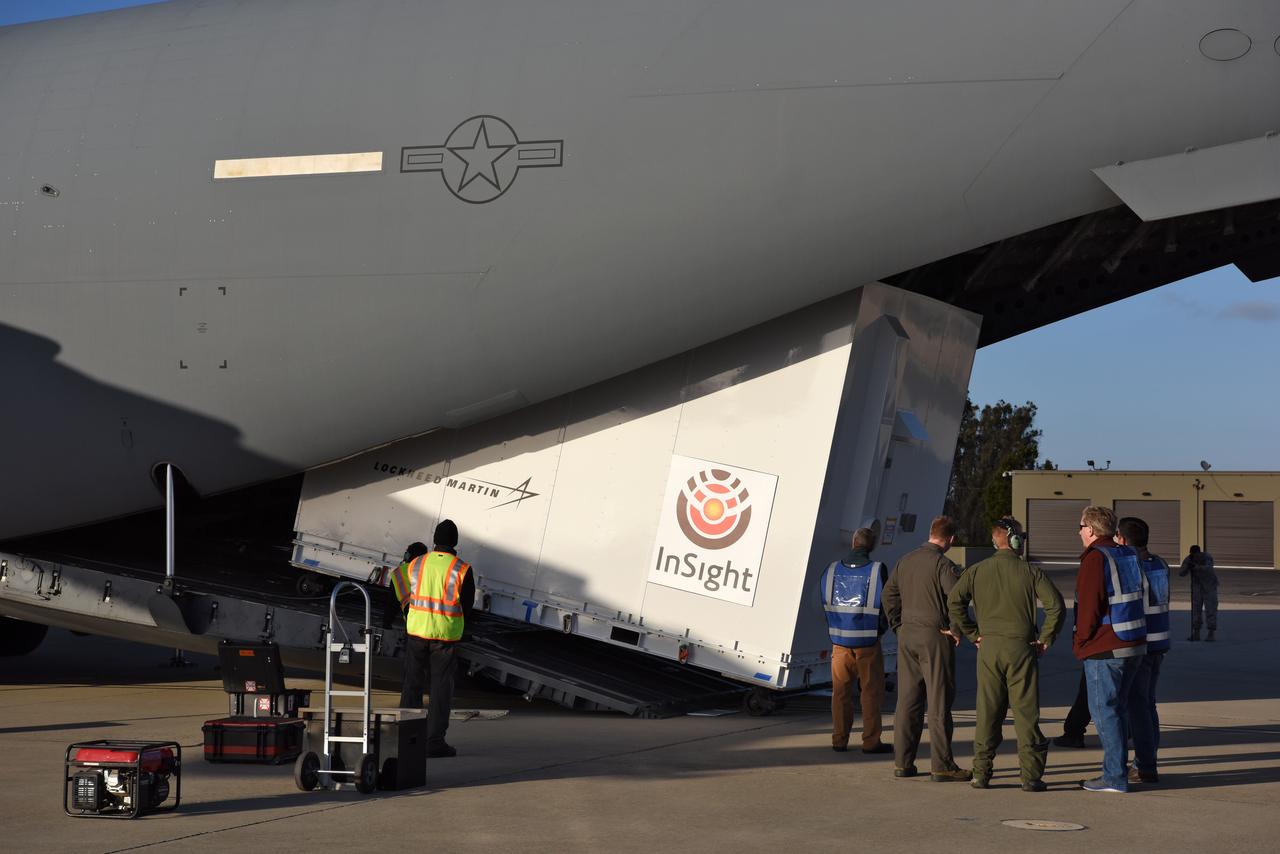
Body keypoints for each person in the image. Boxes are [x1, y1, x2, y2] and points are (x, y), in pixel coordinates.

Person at [948, 517, 1064, 792]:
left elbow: (955, 602)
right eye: (1021, 537)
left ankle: (981, 773)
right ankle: (1031, 776)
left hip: (988, 649)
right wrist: (1045, 639)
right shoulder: (1030, 572)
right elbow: (1056, 606)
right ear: (1014, 540)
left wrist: (973, 634)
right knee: (1025, 714)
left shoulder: (977, 571)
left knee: (987, 711)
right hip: (1021, 649)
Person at [882, 515, 971, 781]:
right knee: (938, 702)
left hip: (907, 635)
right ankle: (942, 764)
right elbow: (956, 599)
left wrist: (898, 625)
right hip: (934, 636)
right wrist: (956, 629)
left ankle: (903, 763)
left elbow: (889, 595)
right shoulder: (943, 565)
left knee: (907, 701)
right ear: (951, 540)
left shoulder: (905, 560)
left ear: (930, 533)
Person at [1073, 505, 1147, 793]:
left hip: (1106, 647)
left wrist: (1080, 643)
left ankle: (1114, 776)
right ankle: (1126, 769)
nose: (1079, 532)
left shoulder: (1095, 559)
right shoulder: (1125, 553)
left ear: (1091, 529)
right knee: (1120, 709)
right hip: (1133, 642)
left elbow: (1089, 607)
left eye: (1080, 527)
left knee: (1105, 711)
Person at [391, 519, 474, 758]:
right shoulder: (462, 569)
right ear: (455, 542)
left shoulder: (417, 563)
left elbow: (405, 592)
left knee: (412, 685)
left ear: (435, 540)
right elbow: (466, 606)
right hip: (444, 638)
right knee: (440, 688)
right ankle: (434, 741)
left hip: (416, 632)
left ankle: (406, 738)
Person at [819, 527, 892, 755]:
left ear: (853, 542)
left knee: (840, 693)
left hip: (839, 641)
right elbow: (887, 605)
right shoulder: (877, 570)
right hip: (868, 642)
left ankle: (839, 739)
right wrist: (880, 630)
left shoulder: (831, 570)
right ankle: (870, 742)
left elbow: (824, 600)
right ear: (872, 546)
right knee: (870, 693)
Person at [1116, 516, 1170, 785]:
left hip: (1140, 642)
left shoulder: (1131, 566)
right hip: (1159, 642)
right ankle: (1148, 760)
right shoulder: (1159, 563)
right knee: (1148, 704)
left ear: (1123, 540)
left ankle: (1144, 764)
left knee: (1136, 706)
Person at [1179, 545, 1218, 642]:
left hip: (1209, 586)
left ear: (1199, 553)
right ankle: (1196, 633)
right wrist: (1187, 567)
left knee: (1211, 609)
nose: (1195, 557)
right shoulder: (1189, 559)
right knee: (1196, 610)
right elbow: (1181, 573)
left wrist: (1197, 567)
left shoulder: (1207, 557)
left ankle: (1211, 633)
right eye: (1192, 555)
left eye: (1196, 555)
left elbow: (1209, 568)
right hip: (1197, 587)